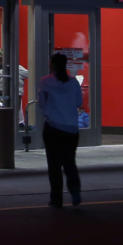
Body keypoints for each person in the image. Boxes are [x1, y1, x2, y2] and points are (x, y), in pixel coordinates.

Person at [37, 52, 82, 207]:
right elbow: (78, 102)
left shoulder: (45, 82)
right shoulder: (73, 82)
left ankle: (56, 198)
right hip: (71, 129)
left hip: (53, 128)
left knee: (54, 165)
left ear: (52, 64)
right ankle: (75, 192)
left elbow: (42, 104)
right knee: (70, 162)